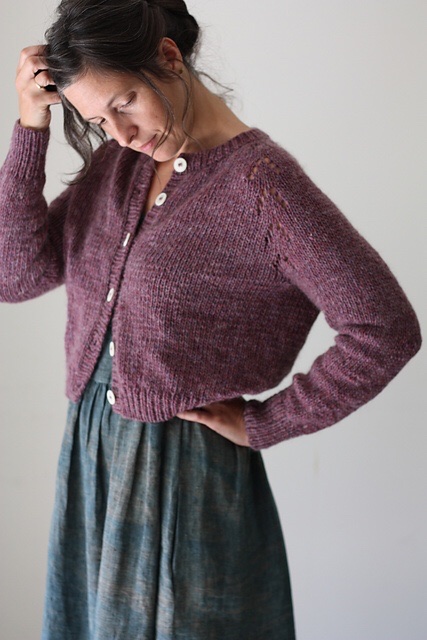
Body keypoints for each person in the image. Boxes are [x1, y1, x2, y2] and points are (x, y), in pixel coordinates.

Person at [0, 0, 422, 637]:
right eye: (98, 120)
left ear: (169, 58)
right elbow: (17, 276)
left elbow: (385, 329)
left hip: (183, 474)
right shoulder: (117, 166)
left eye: (125, 102)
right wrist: (30, 127)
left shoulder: (264, 187)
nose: (121, 133)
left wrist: (268, 421)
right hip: (91, 454)